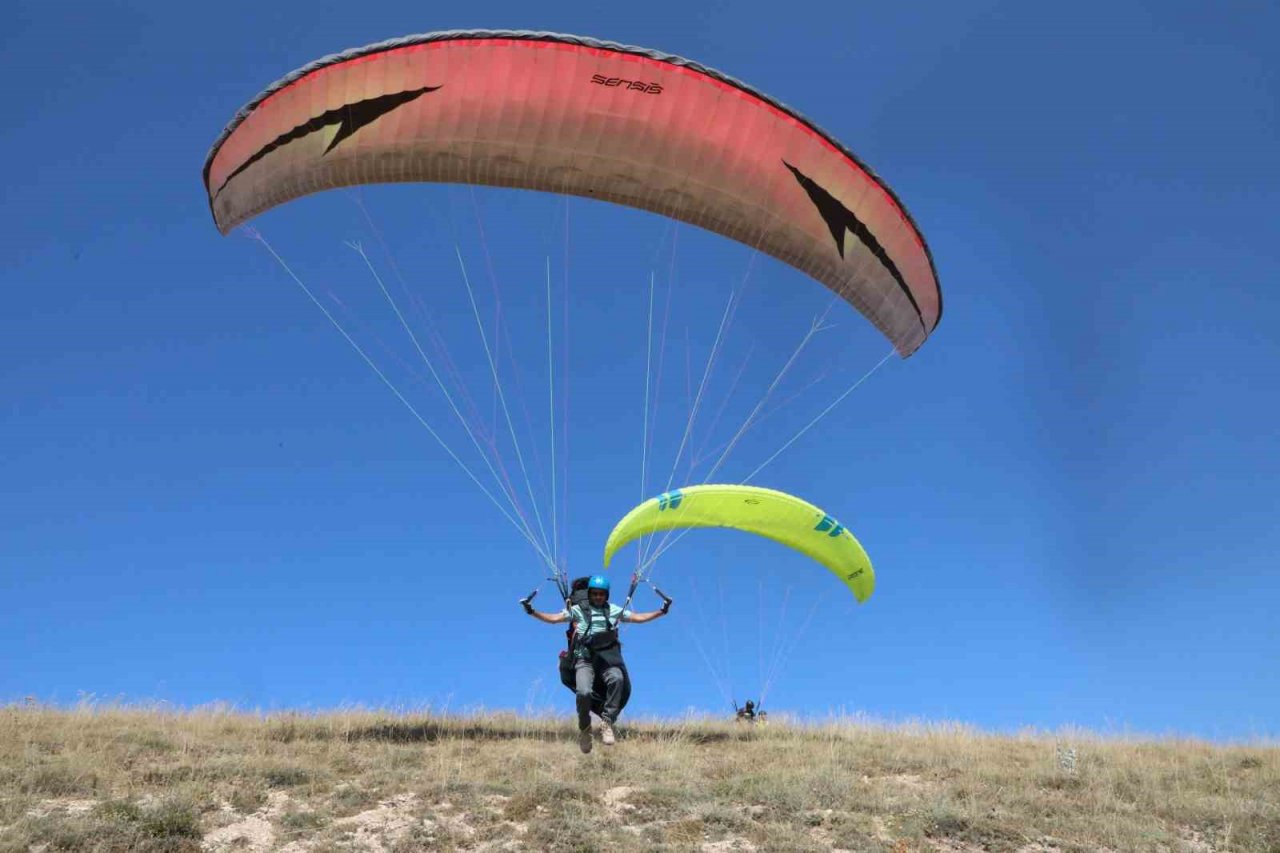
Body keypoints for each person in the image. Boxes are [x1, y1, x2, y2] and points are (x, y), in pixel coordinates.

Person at [523, 575, 670, 753]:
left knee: (617, 678)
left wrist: (661, 611)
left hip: (607, 660)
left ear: (606, 595)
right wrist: (532, 611)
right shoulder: (578, 610)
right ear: (590, 594)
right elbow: (554, 619)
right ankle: (584, 729)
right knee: (584, 692)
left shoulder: (613, 610)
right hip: (584, 660)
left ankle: (606, 722)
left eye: (602, 594)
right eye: (595, 594)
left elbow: (638, 618)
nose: (598, 597)